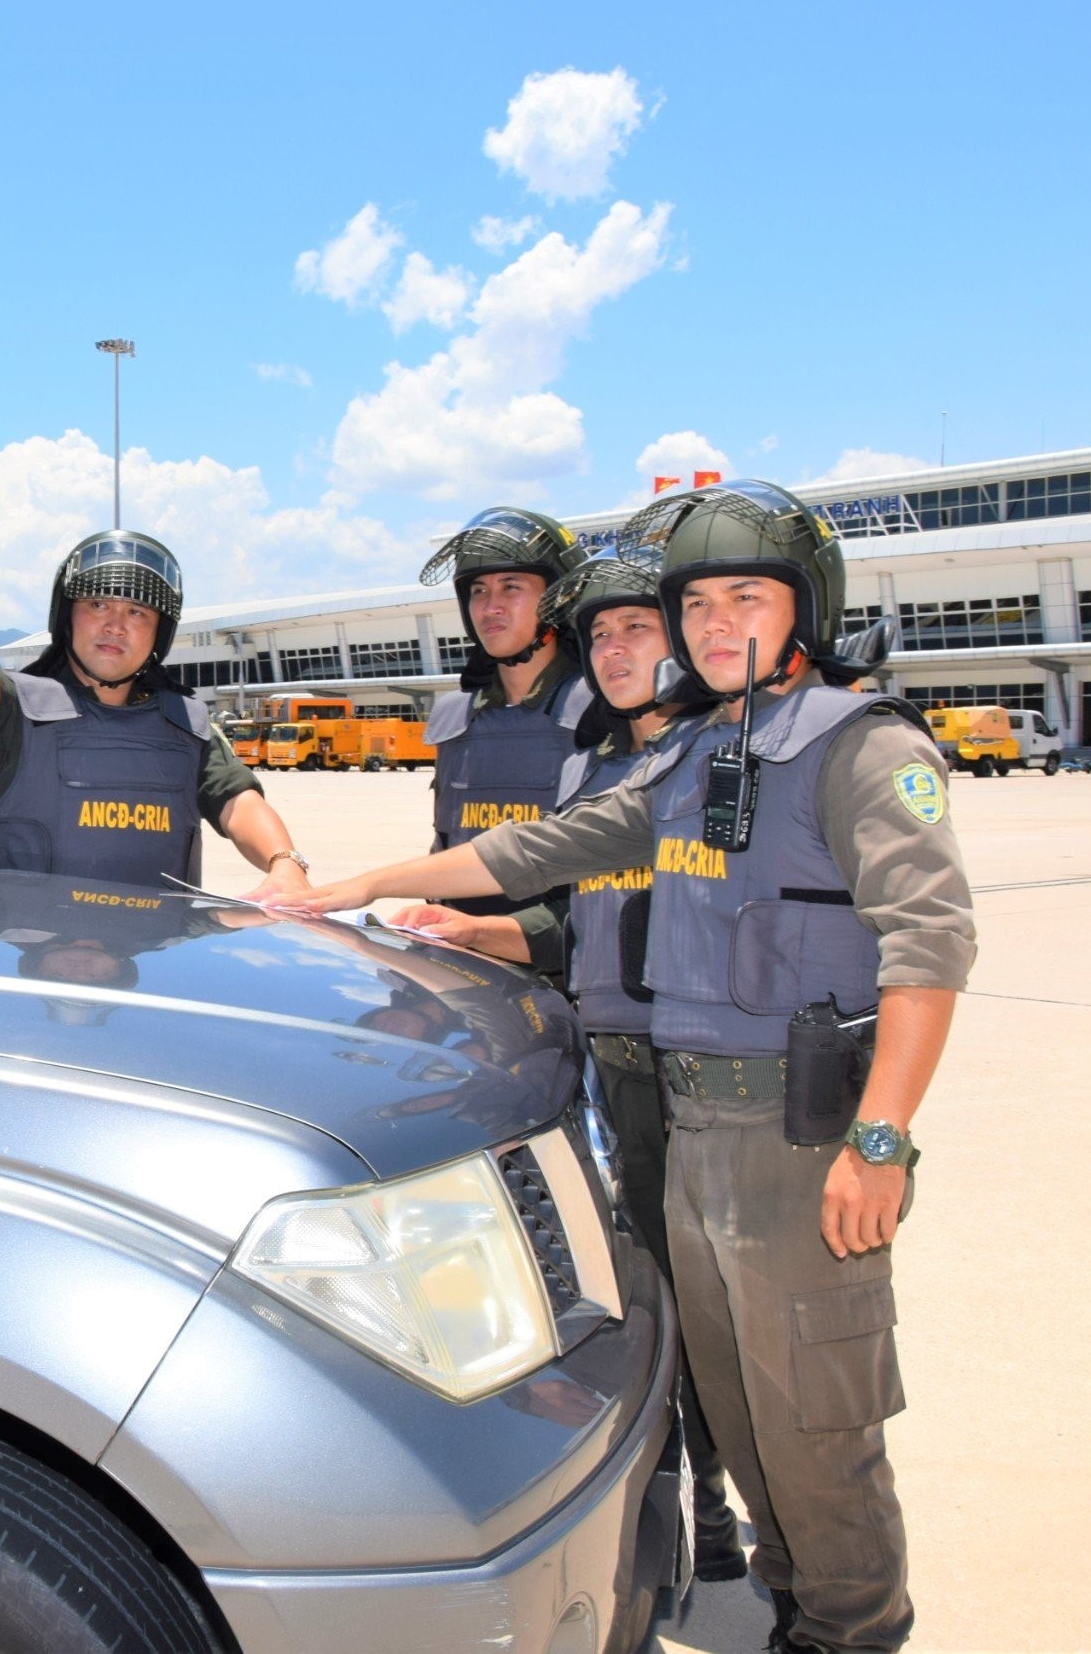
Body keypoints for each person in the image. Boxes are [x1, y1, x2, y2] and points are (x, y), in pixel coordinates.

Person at [287, 481, 973, 1654]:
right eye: (695, 605)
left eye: (744, 598)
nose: (714, 626)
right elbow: (538, 849)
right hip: (693, 1133)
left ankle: (854, 1629)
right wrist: (355, 887)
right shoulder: (698, 750)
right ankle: (797, 1612)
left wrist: (879, 1140)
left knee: (815, 1421)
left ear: (804, 606)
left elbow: (931, 946)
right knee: (739, 1412)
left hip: (801, 1141)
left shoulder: (862, 746)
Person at [401, 545, 745, 1583]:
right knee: (627, 1297)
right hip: (601, 1062)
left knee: (712, 1308)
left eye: (638, 627)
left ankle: (717, 1503)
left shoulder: (723, 756)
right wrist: (469, 931)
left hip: (698, 1071)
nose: (615, 649)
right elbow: (567, 921)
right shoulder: (585, 768)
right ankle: (666, 1500)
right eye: (601, 633)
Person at [0, 530, 311, 896]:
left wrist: (285, 864)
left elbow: (237, 802)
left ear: (159, 632)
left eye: (137, 612)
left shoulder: (188, 724)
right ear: (67, 616)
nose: (116, 625)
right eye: (98, 604)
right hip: (29, 946)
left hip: (153, 950)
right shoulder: (16, 711)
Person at [414, 507, 594, 972]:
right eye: (478, 591)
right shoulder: (454, 718)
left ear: (559, 598)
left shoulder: (603, 713)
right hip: (462, 965)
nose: (490, 607)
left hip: (566, 973)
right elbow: (446, 847)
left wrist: (489, 934)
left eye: (511, 587)